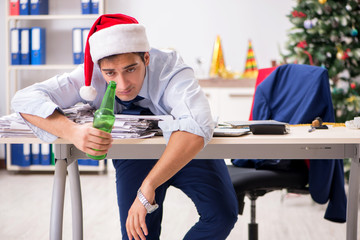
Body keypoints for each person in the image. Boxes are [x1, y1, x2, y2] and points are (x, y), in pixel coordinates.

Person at [11, 13, 238, 240]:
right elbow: (24, 99)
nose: (122, 84)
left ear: (146, 58)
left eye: (130, 69)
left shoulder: (171, 68)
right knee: (137, 236)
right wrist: (72, 132)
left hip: (184, 147)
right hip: (135, 155)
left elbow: (197, 123)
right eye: (110, 73)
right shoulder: (89, 76)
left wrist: (147, 185)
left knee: (222, 216)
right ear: (100, 68)